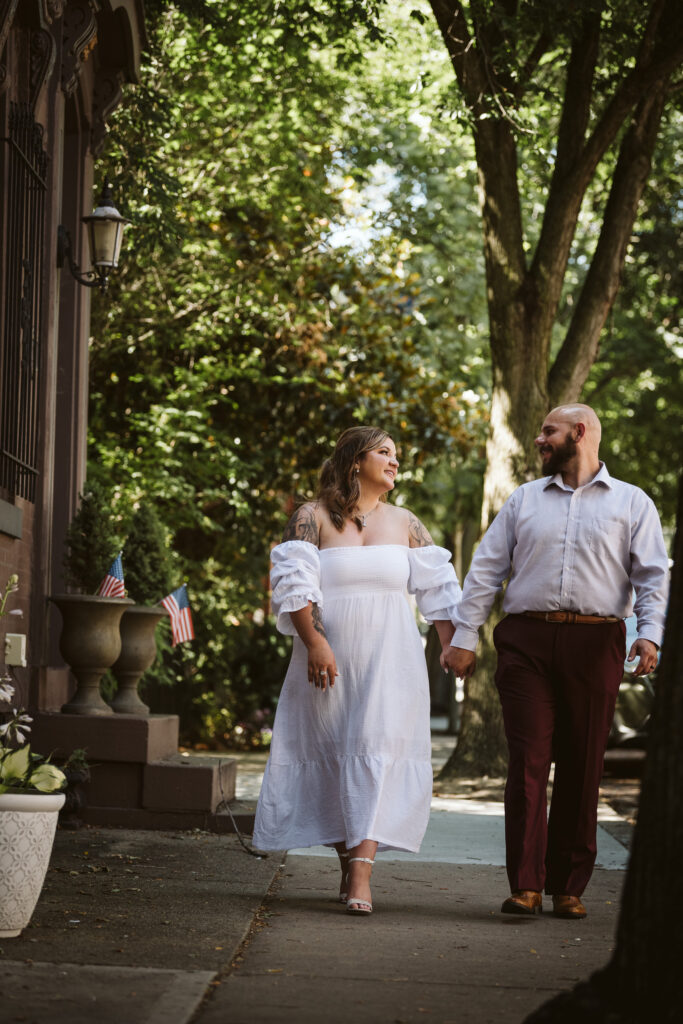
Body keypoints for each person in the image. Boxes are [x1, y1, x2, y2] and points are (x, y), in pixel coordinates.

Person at [443, 404, 669, 919]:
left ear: (580, 433)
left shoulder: (633, 503)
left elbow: (652, 577)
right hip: (526, 643)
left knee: (583, 764)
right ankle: (526, 883)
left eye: (549, 431)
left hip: (597, 643)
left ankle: (568, 886)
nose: (540, 439)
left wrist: (650, 636)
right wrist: (464, 636)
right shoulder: (524, 499)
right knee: (527, 762)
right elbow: (486, 570)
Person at [253, 426, 462, 914]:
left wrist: (454, 648)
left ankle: (362, 874)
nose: (394, 461)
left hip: (393, 660)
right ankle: (348, 858)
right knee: (333, 752)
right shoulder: (312, 516)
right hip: (327, 659)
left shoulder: (407, 522)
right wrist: (316, 642)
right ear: (354, 461)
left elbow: (440, 593)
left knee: (376, 747)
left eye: (397, 455)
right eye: (384, 453)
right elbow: (293, 583)